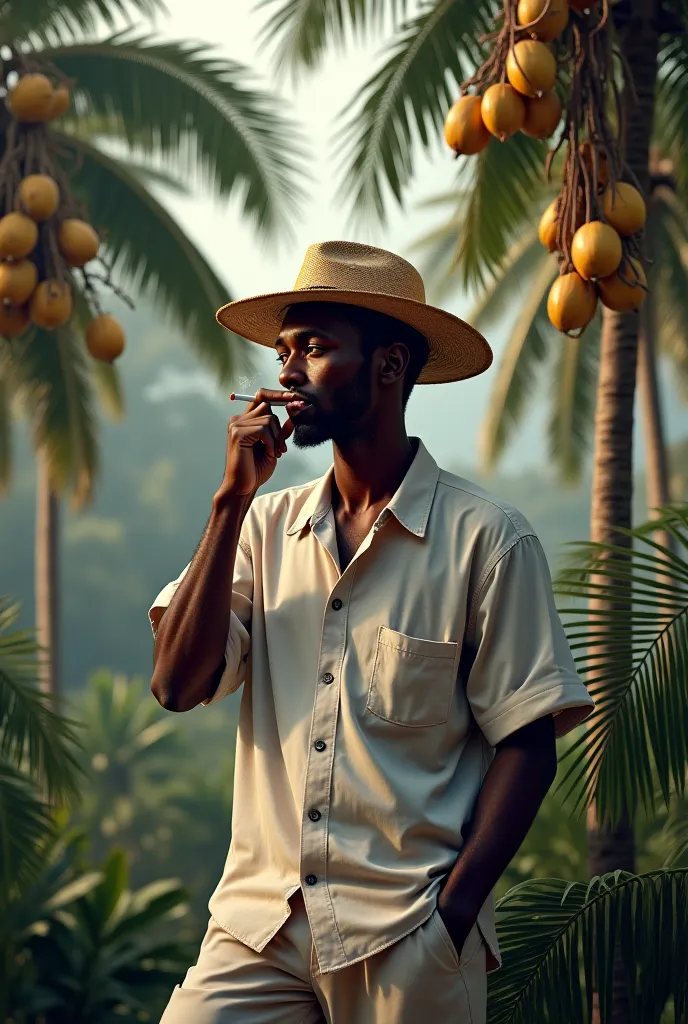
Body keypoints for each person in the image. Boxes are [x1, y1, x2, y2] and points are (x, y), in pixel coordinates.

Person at [149, 240, 594, 1024]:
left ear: (389, 367)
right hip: (258, 931)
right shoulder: (260, 527)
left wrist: (449, 921)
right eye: (285, 351)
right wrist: (229, 505)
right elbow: (177, 686)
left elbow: (527, 745)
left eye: (315, 349)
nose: (286, 372)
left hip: (406, 940)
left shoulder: (488, 540)